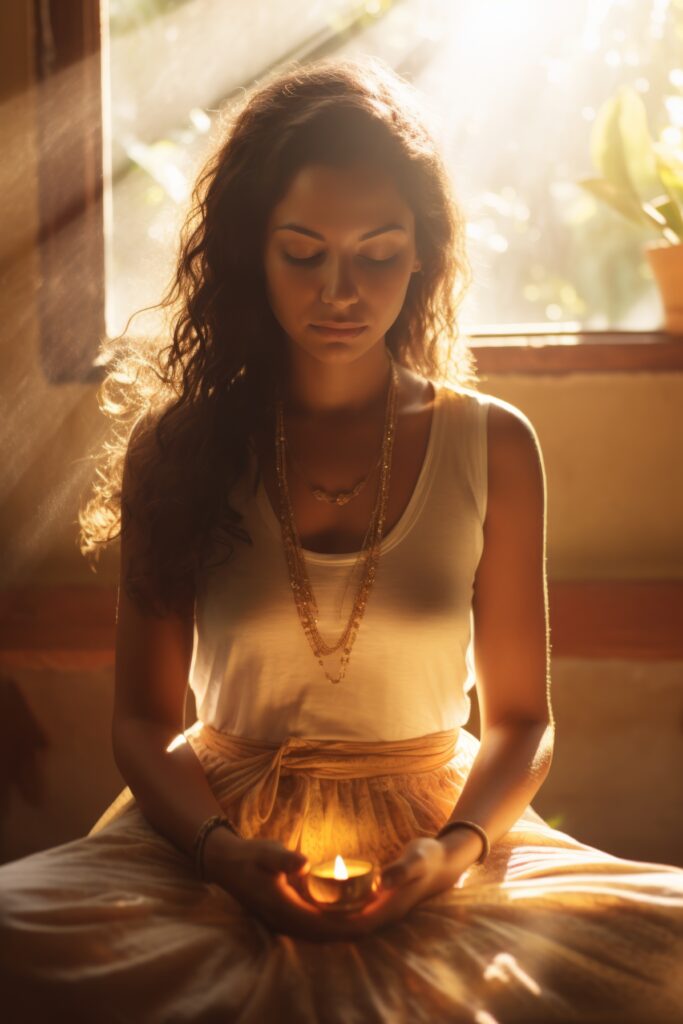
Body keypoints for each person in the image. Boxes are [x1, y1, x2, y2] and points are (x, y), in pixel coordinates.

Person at [1, 54, 682, 1024]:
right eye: (302, 251)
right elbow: (143, 724)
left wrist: (444, 857)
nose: (339, 290)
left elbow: (521, 720)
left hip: (434, 837)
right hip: (210, 834)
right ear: (251, 251)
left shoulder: (493, 444)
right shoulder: (178, 447)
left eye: (376, 252)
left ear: (421, 255)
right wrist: (221, 853)